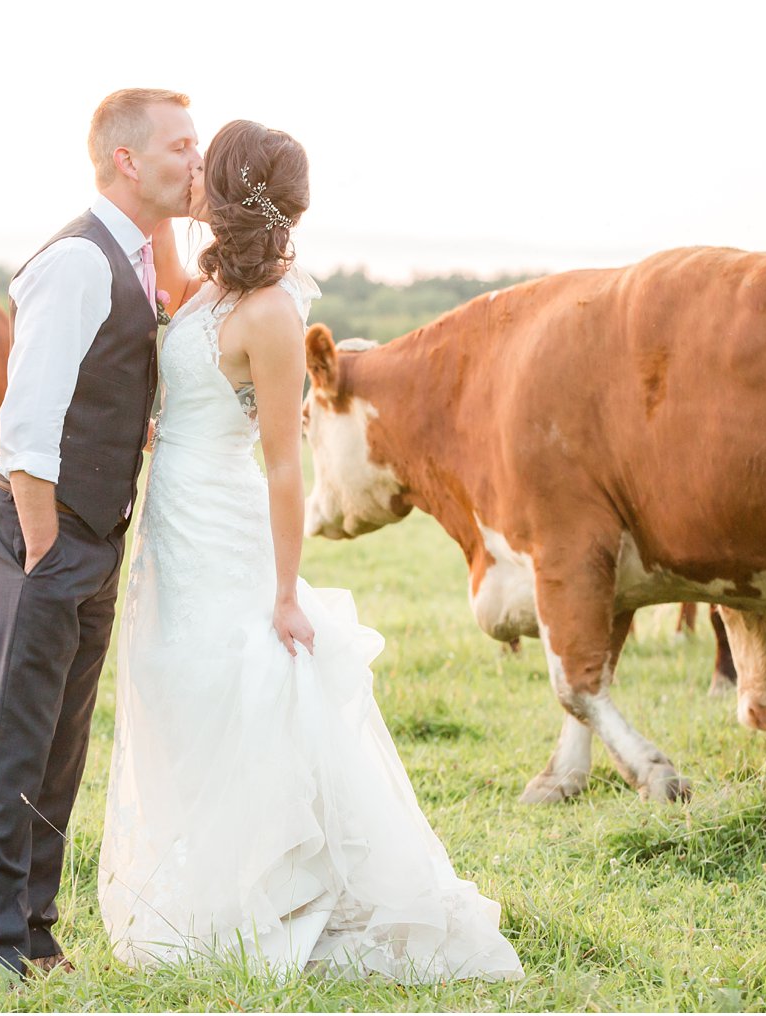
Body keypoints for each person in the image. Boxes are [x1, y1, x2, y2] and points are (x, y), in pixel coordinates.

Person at [98, 119, 525, 983]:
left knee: (240, 685)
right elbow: (179, 334)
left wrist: (288, 592)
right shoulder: (210, 284)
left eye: (202, 167)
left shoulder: (274, 309)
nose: (189, 177)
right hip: (173, 517)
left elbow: (286, 464)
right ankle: (197, 886)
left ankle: (267, 895)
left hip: (227, 518)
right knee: (177, 686)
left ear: (225, 189)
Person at [0, 87, 202, 978]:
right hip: (45, 532)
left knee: (61, 745)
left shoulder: (140, 256)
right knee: (15, 739)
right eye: (182, 146)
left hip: (94, 533)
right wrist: (46, 550)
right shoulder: (77, 261)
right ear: (126, 160)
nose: (198, 162)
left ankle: (36, 931)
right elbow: (25, 426)